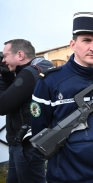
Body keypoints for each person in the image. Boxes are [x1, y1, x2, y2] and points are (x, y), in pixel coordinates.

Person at [30, 12, 93, 183]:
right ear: (73, 44)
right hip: (69, 175)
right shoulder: (51, 82)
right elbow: (39, 131)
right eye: (86, 40)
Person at [0, 39, 53, 183]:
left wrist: (2, 80)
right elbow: (17, 98)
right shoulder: (40, 69)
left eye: (5, 56)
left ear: (20, 55)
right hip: (29, 141)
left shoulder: (29, 74)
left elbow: (3, 105)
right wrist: (8, 76)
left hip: (25, 146)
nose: (3, 61)